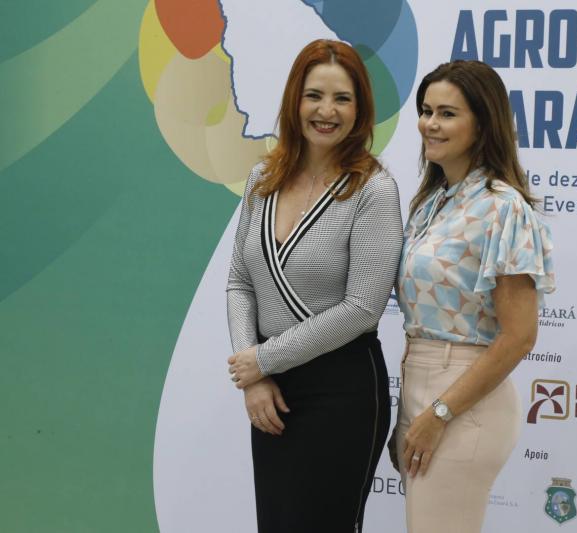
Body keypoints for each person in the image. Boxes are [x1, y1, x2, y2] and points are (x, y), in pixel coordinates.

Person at [225, 39, 403, 533]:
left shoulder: (373, 189)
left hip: (341, 391)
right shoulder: (263, 178)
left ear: (360, 109)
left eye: (342, 98)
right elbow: (239, 282)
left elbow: (362, 308)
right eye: (314, 96)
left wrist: (263, 359)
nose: (327, 111)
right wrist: (254, 377)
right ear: (294, 101)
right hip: (271, 391)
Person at [393, 60, 555, 533]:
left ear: (483, 124)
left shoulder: (503, 208)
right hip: (420, 388)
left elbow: (520, 336)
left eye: (447, 113)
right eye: (426, 111)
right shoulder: (432, 201)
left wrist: (441, 412)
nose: (430, 124)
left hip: (462, 400)